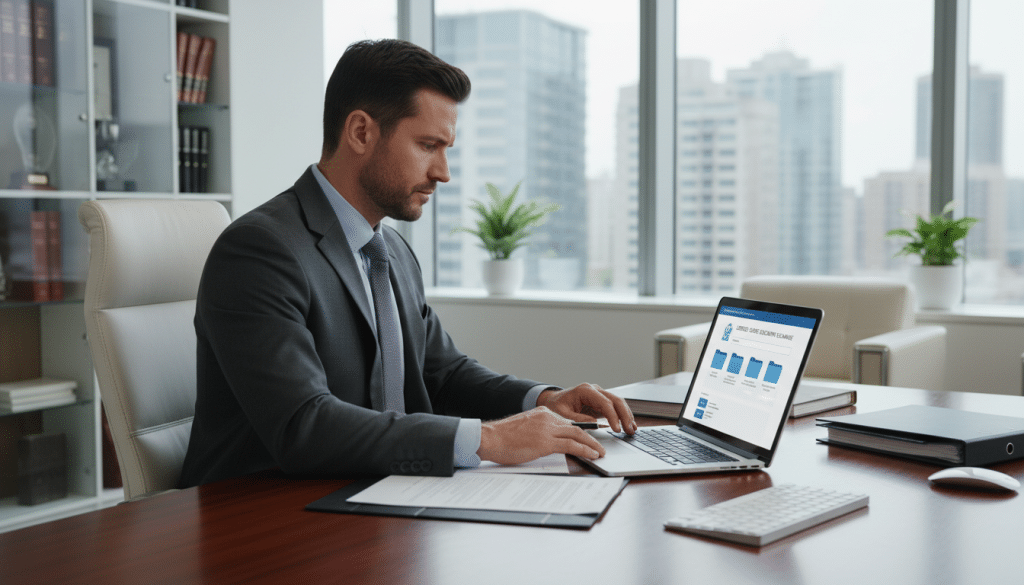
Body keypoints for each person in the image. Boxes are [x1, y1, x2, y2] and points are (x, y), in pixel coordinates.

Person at [177, 39, 636, 488]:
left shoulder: (391, 251)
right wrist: (490, 438)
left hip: (378, 495)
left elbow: (441, 372)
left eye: (446, 150)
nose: (443, 172)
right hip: (261, 519)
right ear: (361, 132)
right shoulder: (260, 251)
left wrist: (544, 399)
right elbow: (304, 425)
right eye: (427, 145)